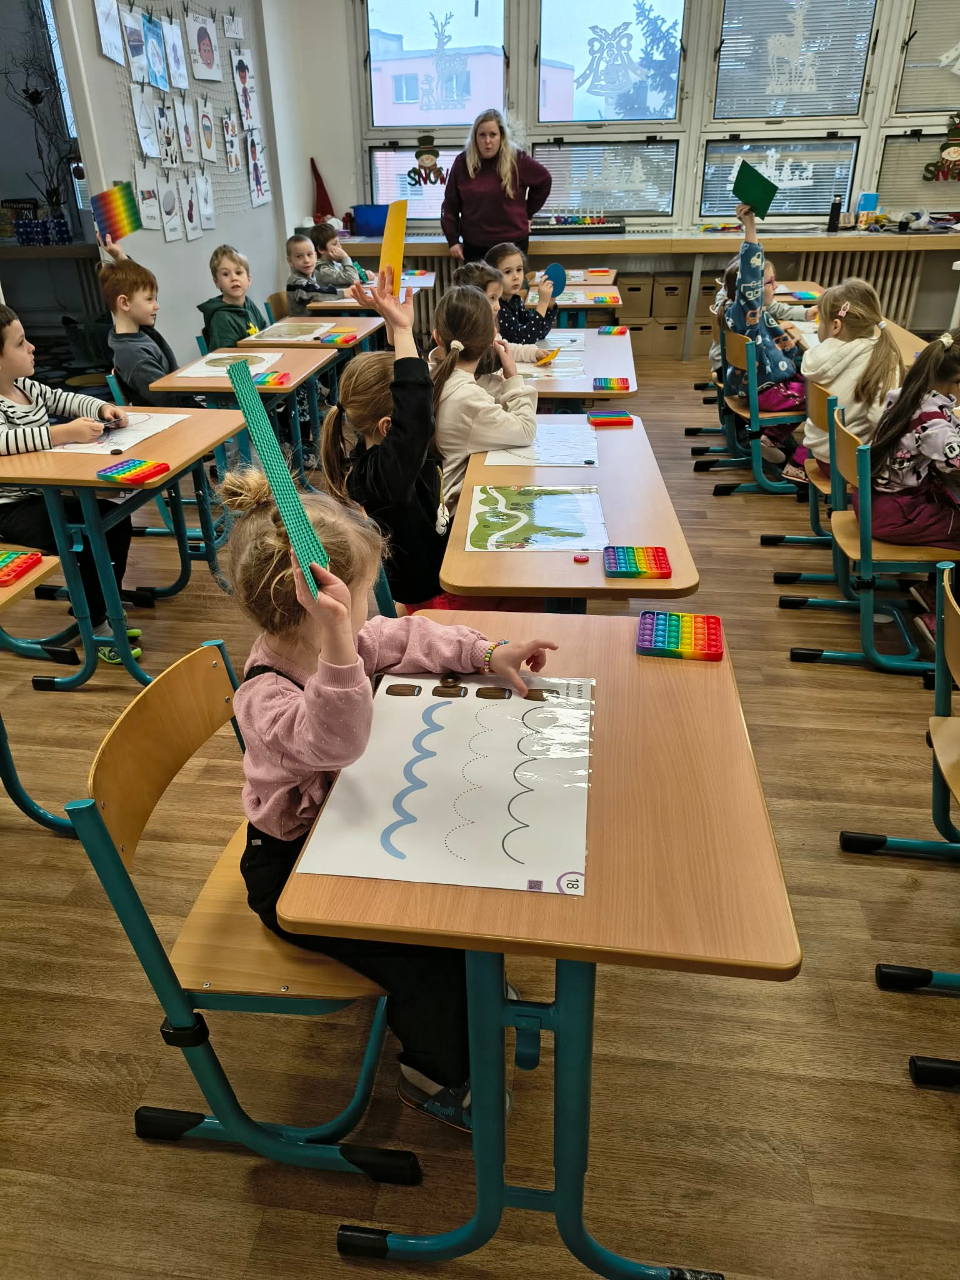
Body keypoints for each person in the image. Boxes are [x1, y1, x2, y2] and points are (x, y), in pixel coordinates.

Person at [224, 469, 557, 1131]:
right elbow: (336, 738)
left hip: (349, 834)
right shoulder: (265, 696)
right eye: (365, 595)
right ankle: (436, 1073)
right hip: (291, 873)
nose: (372, 611)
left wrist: (486, 652)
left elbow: (406, 638)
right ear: (323, 608)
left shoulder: (344, 642)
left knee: (453, 902)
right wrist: (340, 646)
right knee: (423, 952)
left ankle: (467, 989)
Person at [0, 305, 142, 664]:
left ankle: (104, 605)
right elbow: (4, 441)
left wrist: (101, 409)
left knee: (113, 518)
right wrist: (62, 433)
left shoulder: (25, 387)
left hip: (45, 493)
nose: (32, 347)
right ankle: (95, 621)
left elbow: (67, 399)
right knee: (86, 535)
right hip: (11, 510)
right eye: (20, 343)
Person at [320, 273, 449, 610]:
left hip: (439, 571)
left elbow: (410, 393)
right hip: (434, 595)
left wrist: (395, 329)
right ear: (390, 426)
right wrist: (404, 331)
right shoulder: (386, 476)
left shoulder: (378, 461)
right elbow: (415, 409)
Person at [431, 285, 537, 514]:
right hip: (451, 515)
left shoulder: (437, 376)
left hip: (439, 501)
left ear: (437, 337)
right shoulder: (468, 398)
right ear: (492, 336)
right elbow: (526, 430)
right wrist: (513, 377)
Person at [722, 204, 807, 483]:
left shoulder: (738, 311)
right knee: (825, 398)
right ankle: (792, 454)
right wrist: (750, 227)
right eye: (770, 281)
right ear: (755, 288)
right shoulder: (747, 311)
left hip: (761, 386)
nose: (775, 286)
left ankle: (772, 438)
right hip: (766, 391)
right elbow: (750, 273)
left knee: (809, 381)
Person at [864, 329, 960, 553]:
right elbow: (953, 459)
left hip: (874, 502)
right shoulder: (933, 424)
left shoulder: (906, 395)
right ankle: (940, 576)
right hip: (899, 515)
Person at [800, 278, 904, 474]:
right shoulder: (882, 359)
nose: (818, 326)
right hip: (851, 465)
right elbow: (881, 419)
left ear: (836, 326)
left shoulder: (815, 358)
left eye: (819, 321)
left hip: (822, 456)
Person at [441, 109, 552, 262]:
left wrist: (528, 213)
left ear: (502, 136)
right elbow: (450, 205)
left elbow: (544, 180)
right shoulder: (462, 163)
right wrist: (452, 240)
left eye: (493, 135)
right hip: (475, 246)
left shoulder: (517, 160)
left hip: (513, 244)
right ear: (475, 137)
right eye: (482, 135)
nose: (487, 141)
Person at [98, 235, 188, 406]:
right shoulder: (133, 355)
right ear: (125, 303)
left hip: (181, 404)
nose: (156, 306)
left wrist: (120, 257)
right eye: (149, 299)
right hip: (176, 414)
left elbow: (139, 286)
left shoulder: (140, 329)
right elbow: (170, 402)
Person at [709, 255, 813, 377]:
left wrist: (775, 330)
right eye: (770, 282)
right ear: (752, 287)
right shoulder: (742, 314)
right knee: (803, 363)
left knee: (800, 359)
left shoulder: (740, 303)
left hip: (732, 364)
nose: (776, 286)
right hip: (737, 370)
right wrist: (777, 333)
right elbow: (760, 346)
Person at [452, 260, 543, 369]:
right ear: (472, 300)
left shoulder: (488, 326)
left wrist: (533, 352)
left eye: (498, 299)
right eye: (492, 298)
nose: (498, 307)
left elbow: (504, 349)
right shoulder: (463, 336)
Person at [485, 243, 556, 345]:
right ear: (492, 276)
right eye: (508, 272)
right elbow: (525, 339)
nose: (516, 277)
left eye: (519, 270)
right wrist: (542, 303)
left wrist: (549, 304)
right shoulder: (497, 308)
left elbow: (539, 333)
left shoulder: (514, 300)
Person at [198, 245, 268, 350]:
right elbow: (225, 357)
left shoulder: (248, 303)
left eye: (238, 272)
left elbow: (265, 333)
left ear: (248, 279)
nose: (234, 278)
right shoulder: (221, 318)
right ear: (216, 282)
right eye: (226, 274)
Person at [284, 234, 340, 315]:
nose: (306, 260)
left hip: (317, 321)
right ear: (290, 261)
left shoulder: (313, 276)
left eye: (309, 254)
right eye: (299, 256)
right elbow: (314, 293)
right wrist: (343, 293)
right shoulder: (295, 281)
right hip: (302, 323)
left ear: (315, 257)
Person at [309, 223, 360, 290]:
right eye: (335, 244)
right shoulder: (322, 270)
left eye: (339, 242)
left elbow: (348, 274)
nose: (340, 247)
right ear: (321, 249)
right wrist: (345, 258)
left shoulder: (333, 263)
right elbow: (353, 279)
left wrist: (363, 273)